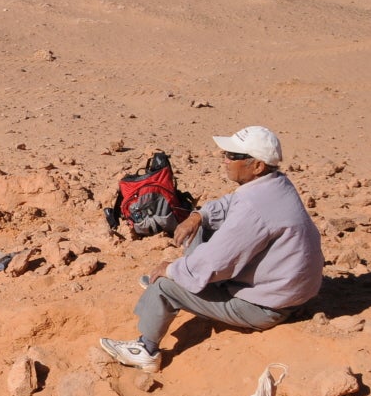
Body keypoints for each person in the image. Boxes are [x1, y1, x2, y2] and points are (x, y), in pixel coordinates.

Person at [99, 126, 323, 372]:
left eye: (233, 156)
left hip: (267, 307)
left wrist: (172, 270)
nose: (225, 160)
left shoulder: (254, 209)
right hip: (286, 292)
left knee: (165, 287)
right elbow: (229, 205)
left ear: (257, 166)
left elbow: (216, 262)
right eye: (226, 153)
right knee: (203, 227)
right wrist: (198, 216)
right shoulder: (274, 185)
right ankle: (188, 283)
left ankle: (146, 349)